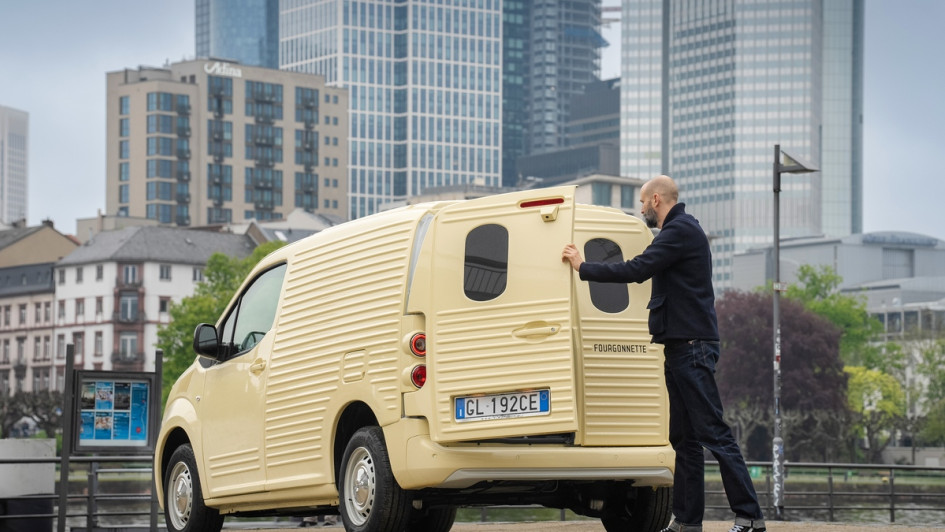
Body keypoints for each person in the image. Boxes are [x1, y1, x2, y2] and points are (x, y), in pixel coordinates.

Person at [562, 175, 766, 532]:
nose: (641, 209)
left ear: (656, 199)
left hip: (692, 348)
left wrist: (583, 266)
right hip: (680, 347)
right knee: (684, 440)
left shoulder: (680, 231)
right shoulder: (682, 232)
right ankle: (687, 522)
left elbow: (637, 269)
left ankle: (749, 517)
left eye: (642, 203)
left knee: (714, 433)